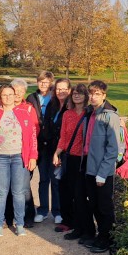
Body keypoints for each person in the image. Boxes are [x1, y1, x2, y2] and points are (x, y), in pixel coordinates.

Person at [0, 84, 39, 237]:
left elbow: (32, 136)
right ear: (0, 97)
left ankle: (19, 223)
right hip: (0, 158)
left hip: (19, 157)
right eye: (4, 95)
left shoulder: (23, 113)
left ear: (15, 96)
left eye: (10, 94)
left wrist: (33, 156)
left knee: (19, 192)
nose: (7, 98)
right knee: (0, 191)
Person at [82, 80, 120, 253]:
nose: (93, 97)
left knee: (105, 206)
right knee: (94, 204)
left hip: (102, 171)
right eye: (91, 93)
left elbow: (113, 148)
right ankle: (101, 235)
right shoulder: (90, 114)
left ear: (104, 95)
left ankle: (107, 238)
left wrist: (103, 173)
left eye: (97, 93)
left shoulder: (109, 116)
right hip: (90, 168)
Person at [54, 83, 90, 238]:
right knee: (66, 191)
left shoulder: (89, 114)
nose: (76, 95)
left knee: (80, 194)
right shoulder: (67, 114)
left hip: (83, 159)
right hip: (69, 157)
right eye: (74, 93)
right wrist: (57, 153)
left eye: (80, 93)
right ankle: (69, 221)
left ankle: (81, 226)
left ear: (86, 96)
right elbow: (64, 136)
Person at [26, 71, 62, 223]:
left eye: (46, 82)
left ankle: (57, 211)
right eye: (40, 81)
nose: (43, 84)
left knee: (55, 179)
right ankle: (42, 210)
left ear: (51, 83)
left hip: (54, 143)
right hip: (39, 143)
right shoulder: (32, 98)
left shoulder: (55, 98)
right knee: (43, 178)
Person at [4, 78, 37, 228]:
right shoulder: (3, 107)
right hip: (6, 153)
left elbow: (34, 132)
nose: (17, 93)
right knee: (8, 185)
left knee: (23, 187)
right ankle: (8, 216)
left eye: (20, 91)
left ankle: (28, 215)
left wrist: (32, 155)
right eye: (14, 90)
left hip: (24, 153)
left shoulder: (28, 108)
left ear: (24, 93)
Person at [48, 78, 72, 231]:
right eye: (58, 89)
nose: (60, 92)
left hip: (66, 151)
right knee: (56, 182)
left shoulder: (71, 107)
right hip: (54, 148)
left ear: (69, 90)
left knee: (66, 184)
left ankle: (67, 214)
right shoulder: (53, 105)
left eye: (64, 89)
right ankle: (58, 212)